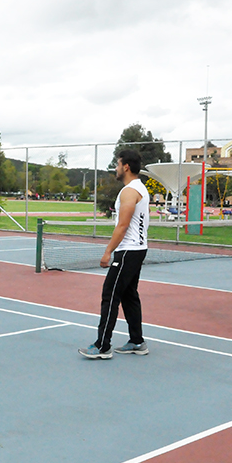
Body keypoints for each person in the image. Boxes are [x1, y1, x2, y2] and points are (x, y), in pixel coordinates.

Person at [79, 149, 150, 360]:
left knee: (110, 295)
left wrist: (108, 252)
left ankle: (102, 346)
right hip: (137, 249)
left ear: (126, 166)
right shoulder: (140, 189)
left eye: (118, 164)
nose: (116, 169)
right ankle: (137, 341)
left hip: (128, 251)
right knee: (129, 296)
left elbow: (123, 225)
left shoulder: (129, 191)